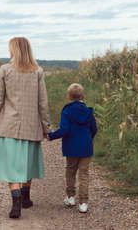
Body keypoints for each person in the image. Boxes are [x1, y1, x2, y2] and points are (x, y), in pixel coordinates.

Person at [0, 37, 51, 219]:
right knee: (28, 163)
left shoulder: (5, 70)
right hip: (31, 127)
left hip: (8, 127)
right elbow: (42, 103)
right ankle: (26, 198)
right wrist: (46, 127)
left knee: (12, 167)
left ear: (14, 51)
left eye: (10, 49)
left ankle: (16, 204)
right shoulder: (38, 71)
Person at [48, 83, 98, 213]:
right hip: (86, 147)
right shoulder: (88, 111)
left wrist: (51, 136)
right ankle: (83, 202)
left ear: (68, 97)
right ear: (83, 96)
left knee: (70, 171)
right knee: (84, 174)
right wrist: (88, 139)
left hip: (71, 146)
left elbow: (64, 129)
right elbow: (94, 129)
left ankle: (70, 197)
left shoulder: (67, 110)